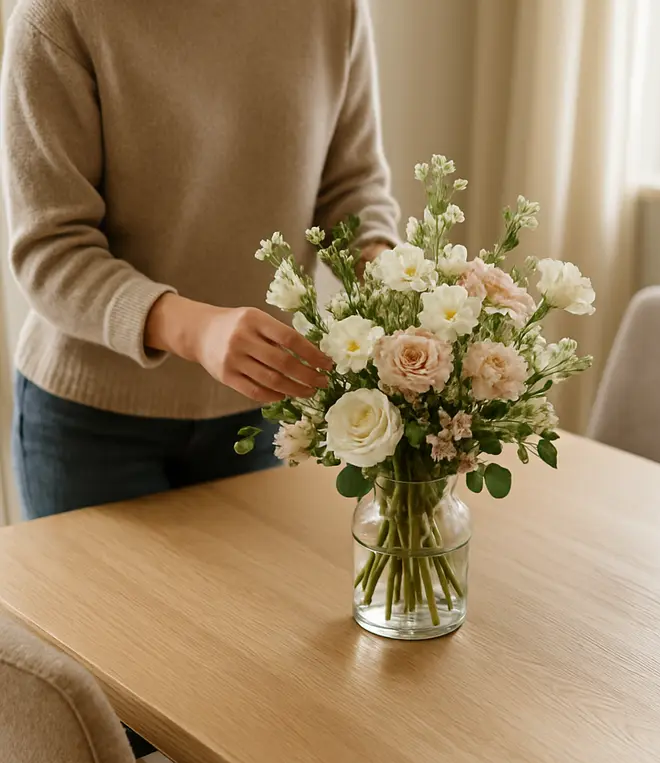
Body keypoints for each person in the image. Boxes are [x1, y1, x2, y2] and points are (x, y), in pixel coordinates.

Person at [2, 0, 399, 522]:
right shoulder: (58, 16)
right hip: (92, 428)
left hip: (262, 412)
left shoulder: (333, 9)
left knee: (249, 607)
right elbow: (50, 250)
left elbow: (351, 186)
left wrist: (400, 288)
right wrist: (198, 331)